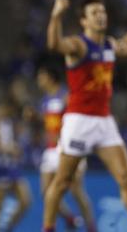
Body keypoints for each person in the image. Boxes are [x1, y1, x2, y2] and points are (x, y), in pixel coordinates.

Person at [43, 0, 127, 232]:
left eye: (102, 11)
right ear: (84, 21)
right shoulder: (78, 45)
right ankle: (48, 228)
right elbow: (55, 44)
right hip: (78, 122)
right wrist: (56, 16)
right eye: (94, 13)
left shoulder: (109, 45)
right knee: (62, 183)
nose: (101, 15)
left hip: (104, 121)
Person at [36, 65, 96, 232]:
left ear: (50, 77)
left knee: (76, 190)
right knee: (46, 191)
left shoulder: (66, 96)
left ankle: (91, 227)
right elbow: (49, 123)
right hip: (51, 150)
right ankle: (69, 218)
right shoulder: (45, 100)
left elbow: (78, 117)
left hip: (69, 147)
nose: (38, 80)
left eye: (41, 76)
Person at [0, 102, 31, 232]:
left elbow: (17, 138)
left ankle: (8, 228)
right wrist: (10, 149)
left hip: (11, 166)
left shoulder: (10, 122)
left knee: (26, 201)